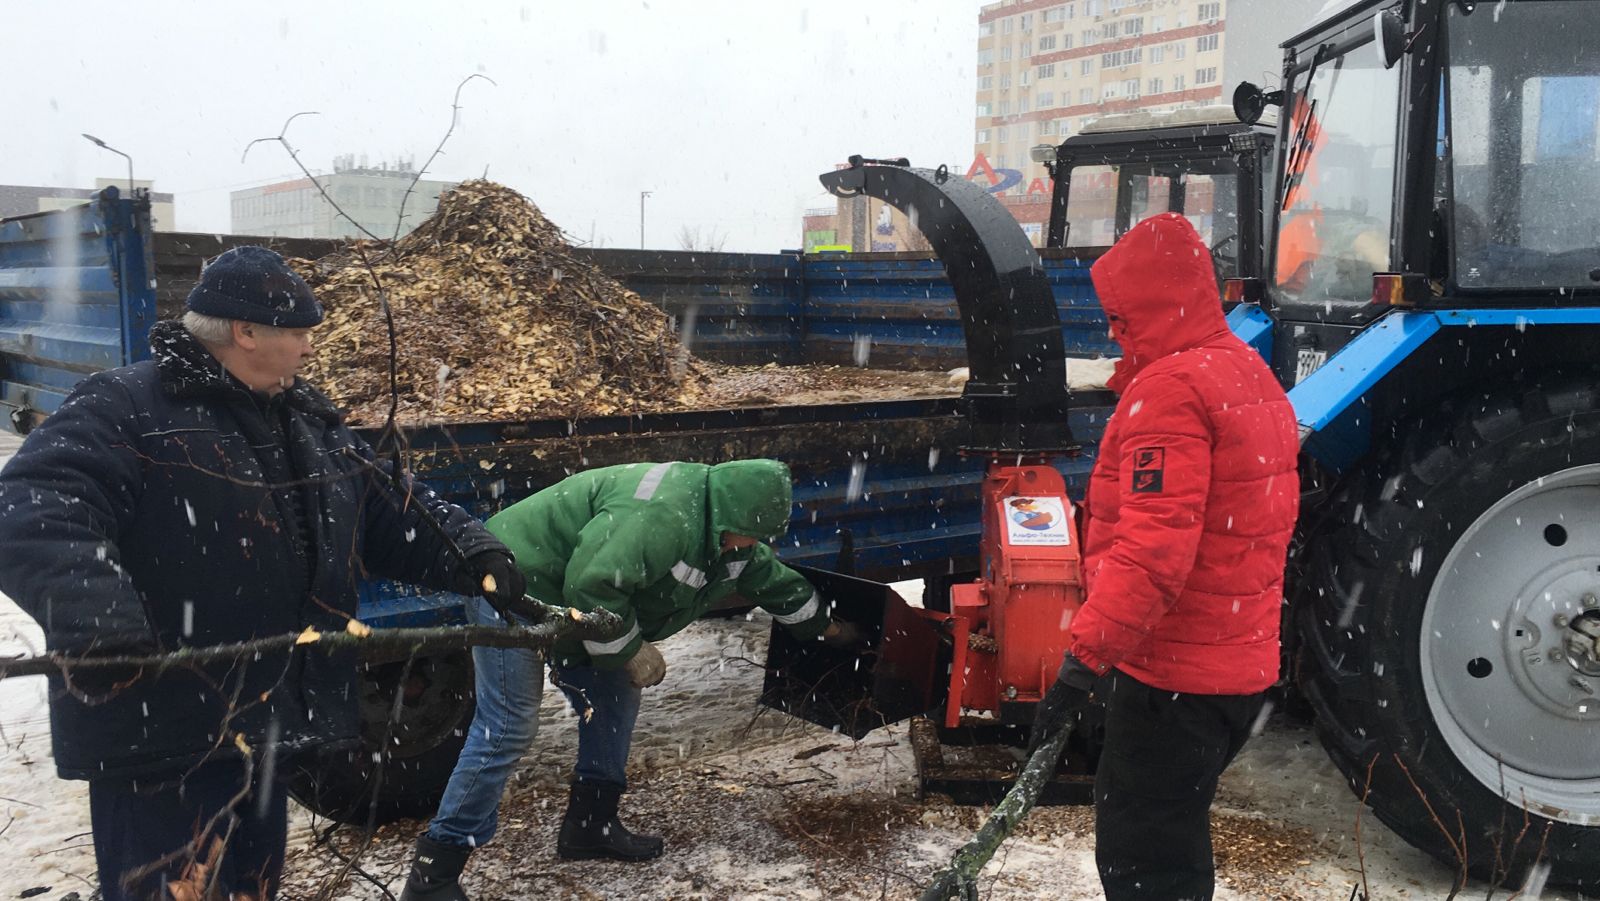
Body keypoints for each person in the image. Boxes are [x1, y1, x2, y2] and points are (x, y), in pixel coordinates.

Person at [0, 246, 524, 901]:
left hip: (265, 730)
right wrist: (99, 616)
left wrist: (475, 555)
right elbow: (30, 506)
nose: (311, 347)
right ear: (246, 333)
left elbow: (385, 504)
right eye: (300, 331)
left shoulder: (303, 418)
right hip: (164, 741)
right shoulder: (128, 407)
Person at [401, 459, 857, 900]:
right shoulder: (664, 515)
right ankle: (434, 872)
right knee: (507, 727)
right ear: (728, 516)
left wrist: (830, 629)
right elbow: (594, 582)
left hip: (571, 604)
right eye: (748, 535)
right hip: (513, 583)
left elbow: (773, 582)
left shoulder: (728, 538)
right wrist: (631, 649)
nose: (748, 545)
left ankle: (590, 826)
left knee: (615, 693)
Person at [1032, 213, 1300, 900]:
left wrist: (1081, 663)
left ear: (1156, 304)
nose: (1115, 332)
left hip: (1172, 680)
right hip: (1232, 673)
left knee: (1147, 860)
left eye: (1123, 317)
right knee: (1172, 842)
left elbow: (1153, 554)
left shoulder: (1171, 392)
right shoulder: (1248, 373)